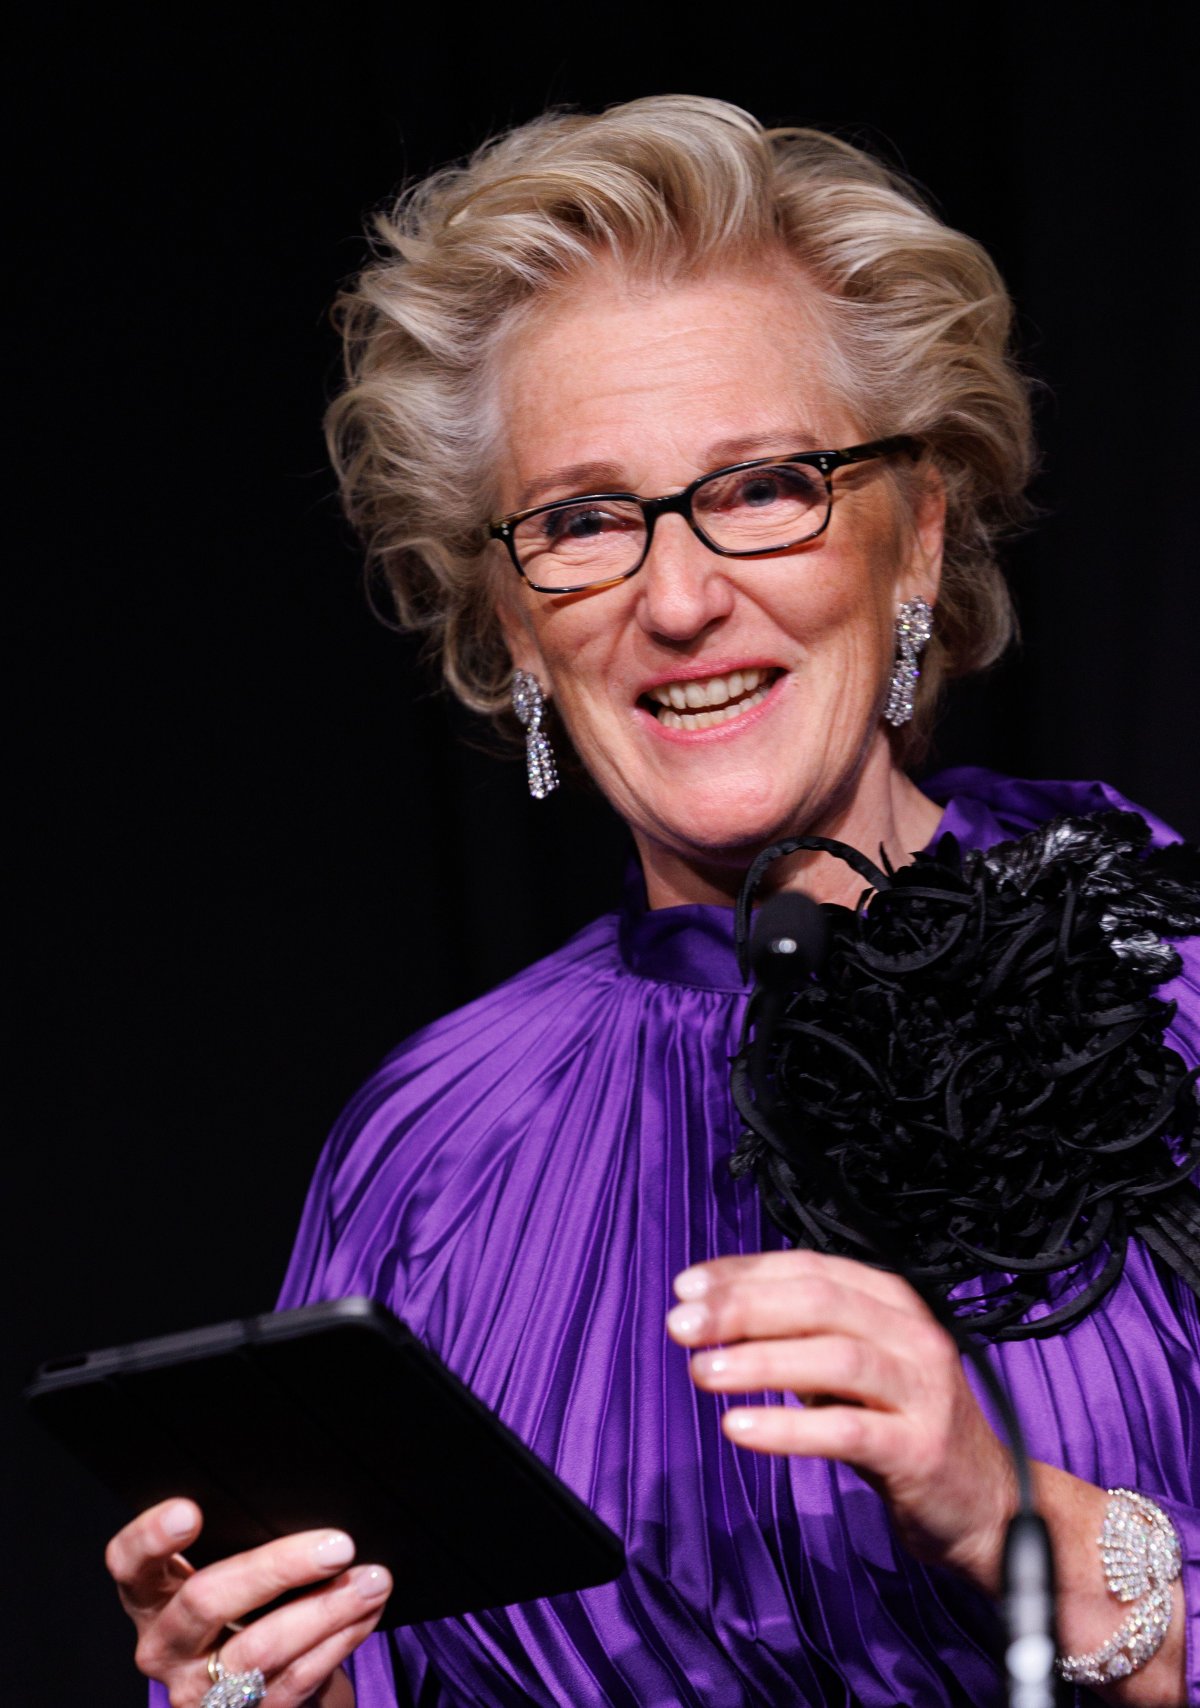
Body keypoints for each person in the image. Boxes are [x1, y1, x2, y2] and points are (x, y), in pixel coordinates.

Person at [106, 97, 1200, 1707]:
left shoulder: (1172, 996)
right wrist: (275, 1687)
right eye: (583, 523)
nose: (678, 600)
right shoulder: (432, 1145)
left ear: (921, 536)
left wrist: (1006, 1513)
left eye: (764, 486)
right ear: (513, 624)